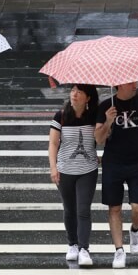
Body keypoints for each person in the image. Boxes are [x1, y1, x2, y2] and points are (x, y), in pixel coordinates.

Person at [95, 82, 138, 269]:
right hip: (113, 163)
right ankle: (119, 250)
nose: (134, 85)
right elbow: (98, 139)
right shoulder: (106, 106)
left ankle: (135, 229)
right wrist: (108, 121)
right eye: (130, 83)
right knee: (114, 208)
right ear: (118, 85)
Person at [49, 84, 100, 265]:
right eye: (72, 90)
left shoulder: (94, 116)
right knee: (70, 209)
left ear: (88, 98)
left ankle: (84, 248)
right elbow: (53, 144)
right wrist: (53, 167)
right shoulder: (61, 116)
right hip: (65, 170)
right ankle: (72, 244)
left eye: (79, 92)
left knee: (83, 210)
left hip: (88, 170)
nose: (74, 94)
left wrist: (107, 121)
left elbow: (102, 139)